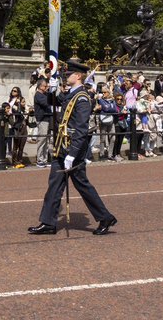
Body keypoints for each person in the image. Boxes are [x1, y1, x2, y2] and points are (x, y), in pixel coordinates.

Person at [29, 59, 117, 236]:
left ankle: (105, 217)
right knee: (54, 185)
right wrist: (52, 89)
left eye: (68, 74)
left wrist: (72, 155)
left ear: (77, 76)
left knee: (83, 185)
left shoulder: (82, 98)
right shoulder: (70, 93)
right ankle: (48, 222)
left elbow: (81, 129)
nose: (65, 76)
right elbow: (50, 101)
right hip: (62, 147)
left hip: (72, 150)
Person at [33, 77, 53, 167]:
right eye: (45, 86)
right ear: (40, 86)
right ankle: (39, 159)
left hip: (48, 119)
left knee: (47, 140)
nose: (46, 87)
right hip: (42, 119)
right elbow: (46, 103)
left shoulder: (45, 94)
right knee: (42, 139)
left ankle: (44, 159)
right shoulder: (38, 95)